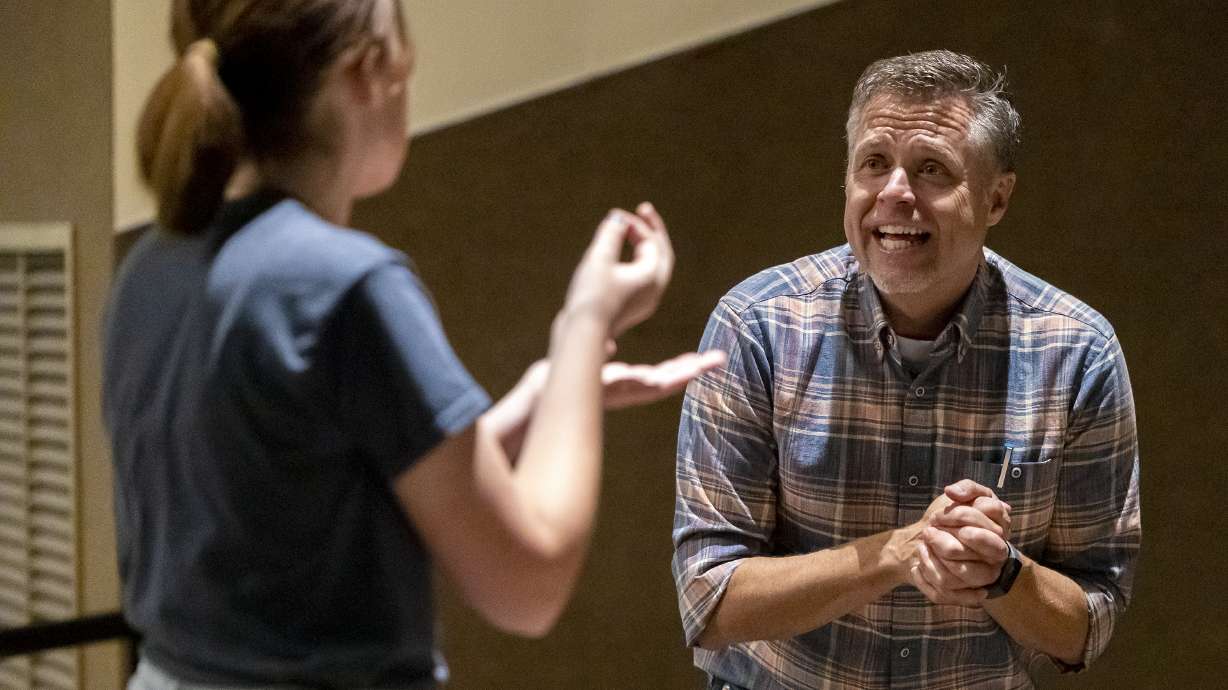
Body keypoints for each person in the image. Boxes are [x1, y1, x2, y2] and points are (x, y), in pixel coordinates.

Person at [102, 1, 725, 688]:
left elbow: (319, 486)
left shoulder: (152, 269)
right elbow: (528, 583)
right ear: (369, 71)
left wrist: (549, 395)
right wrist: (584, 324)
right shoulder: (346, 284)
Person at [672, 49, 1140, 689]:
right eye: (874, 164)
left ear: (996, 199)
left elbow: (1090, 622)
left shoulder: (1078, 352)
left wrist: (1001, 573)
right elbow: (710, 600)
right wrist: (896, 553)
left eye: (931, 170)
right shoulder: (758, 325)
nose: (895, 193)